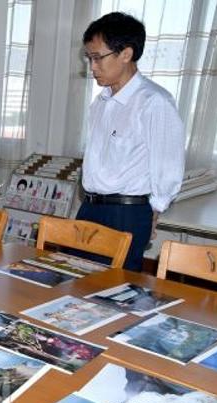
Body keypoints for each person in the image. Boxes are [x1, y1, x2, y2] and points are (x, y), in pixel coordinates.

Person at [78, 12, 185, 271]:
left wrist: (154, 212)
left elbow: (168, 165)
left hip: (125, 213)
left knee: (111, 296)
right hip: (90, 208)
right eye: (89, 58)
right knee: (76, 284)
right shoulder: (101, 102)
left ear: (125, 54)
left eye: (97, 58)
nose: (92, 67)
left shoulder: (154, 102)